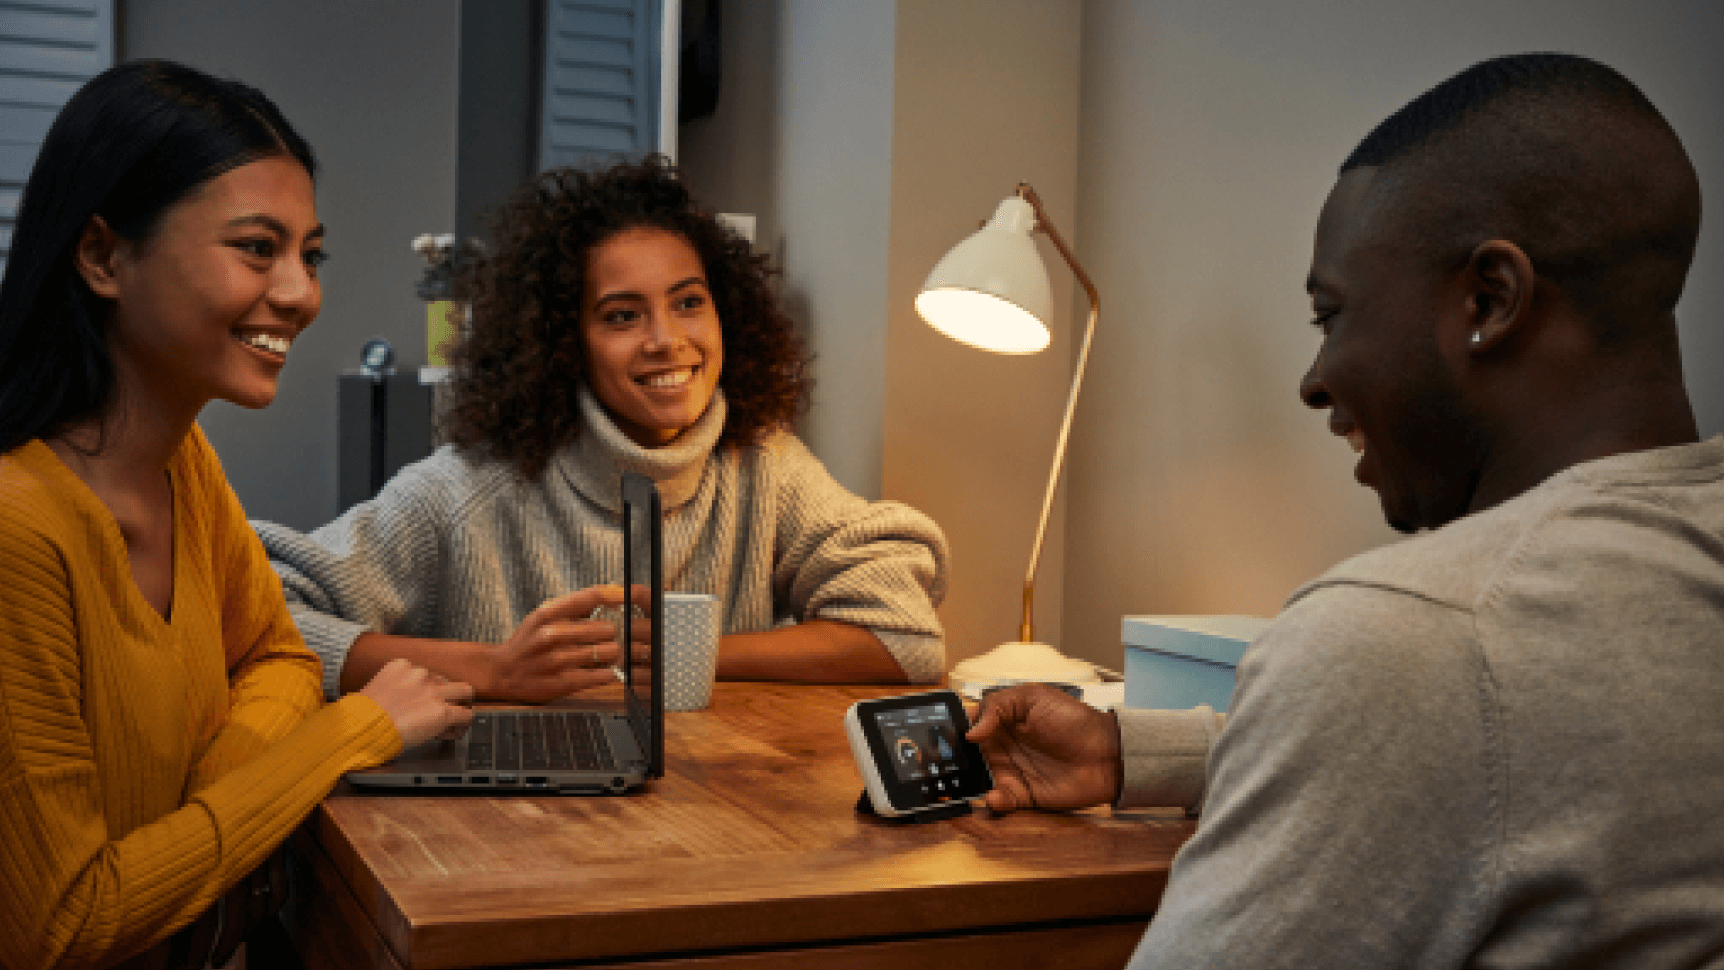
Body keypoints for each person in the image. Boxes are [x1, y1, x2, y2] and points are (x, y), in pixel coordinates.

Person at [969, 52, 1724, 968]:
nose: (1314, 381)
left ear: (1491, 298)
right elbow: (1564, 750)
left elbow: (1439, 702)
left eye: (1332, 315)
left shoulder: (1414, 635)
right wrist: (1134, 751)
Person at [0, 60, 474, 970]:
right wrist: (355, 732)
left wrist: (204, 807)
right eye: (258, 248)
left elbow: (280, 655)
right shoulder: (21, 530)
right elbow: (66, 926)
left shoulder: (185, 464)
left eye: (310, 254)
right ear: (102, 256)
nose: (302, 294)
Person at [255, 157, 949, 703]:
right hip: (504, 848)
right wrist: (493, 670)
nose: (666, 340)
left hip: (711, 830)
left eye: (688, 303)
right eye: (622, 316)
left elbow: (902, 632)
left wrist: (690, 653)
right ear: (564, 341)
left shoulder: (765, 466)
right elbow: (267, 621)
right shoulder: (465, 491)